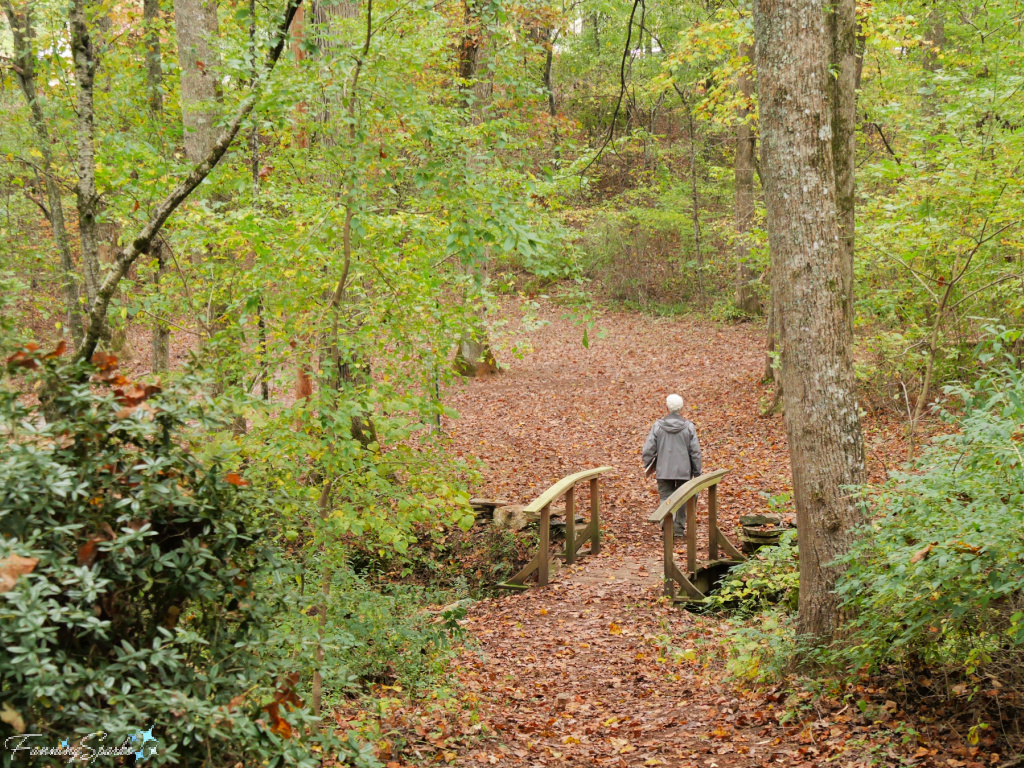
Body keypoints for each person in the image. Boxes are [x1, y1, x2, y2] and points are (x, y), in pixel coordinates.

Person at [642, 394, 702, 535]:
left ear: (667, 407)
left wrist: (647, 463)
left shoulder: (658, 426)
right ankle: (678, 530)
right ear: (681, 408)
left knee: (665, 496)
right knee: (682, 497)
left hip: (664, 469)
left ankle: (666, 526)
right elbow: (695, 452)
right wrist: (697, 471)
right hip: (684, 470)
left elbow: (648, 448)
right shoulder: (688, 427)